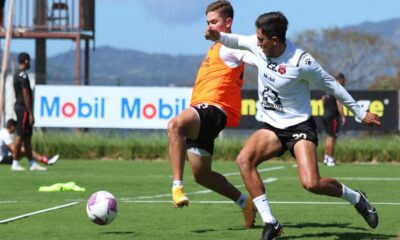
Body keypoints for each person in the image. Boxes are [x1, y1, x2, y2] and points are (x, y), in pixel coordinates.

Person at [205, 11, 381, 239]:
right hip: (272, 127)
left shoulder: (301, 61)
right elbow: (235, 40)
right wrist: (216, 36)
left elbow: (333, 87)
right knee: (243, 160)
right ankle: (271, 223)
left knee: (311, 183)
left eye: (261, 40)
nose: (256, 43)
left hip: (299, 128)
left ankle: (356, 198)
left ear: (274, 40)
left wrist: (360, 113)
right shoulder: (258, 44)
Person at [167, 0, 258, 228]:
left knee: (175, 125)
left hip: (213, 111)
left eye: (214, 22)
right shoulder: (215, 47)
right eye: (207, 22)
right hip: (202, 114)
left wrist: (272, 66)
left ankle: (176, 186)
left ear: (228, 22)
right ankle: (245, 203)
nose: (209, 26)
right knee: (202, 175)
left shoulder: (232, 46)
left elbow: (253, 58)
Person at [12, 52, 47, 171]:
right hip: (23, 109)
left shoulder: (17, 73)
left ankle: (32, 163)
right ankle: (15, 163)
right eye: (29, 60)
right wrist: (30, 113)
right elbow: (26, 94)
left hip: (21, 108)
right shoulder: (22, 75)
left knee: (27, 137)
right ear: (26, 61)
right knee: (20, 137)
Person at [322, 73, 347, 166]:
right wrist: (343, 117)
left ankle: (326, 157)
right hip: (332, 116)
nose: (345, 82)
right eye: (344, 80)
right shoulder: (337, 89)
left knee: (328, 137)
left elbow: (323, 99)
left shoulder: (328, 88)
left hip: (325, 115)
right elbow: (339, 104)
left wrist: (326, 110)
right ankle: (330, 159)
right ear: (341, 80)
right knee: (332, 138)